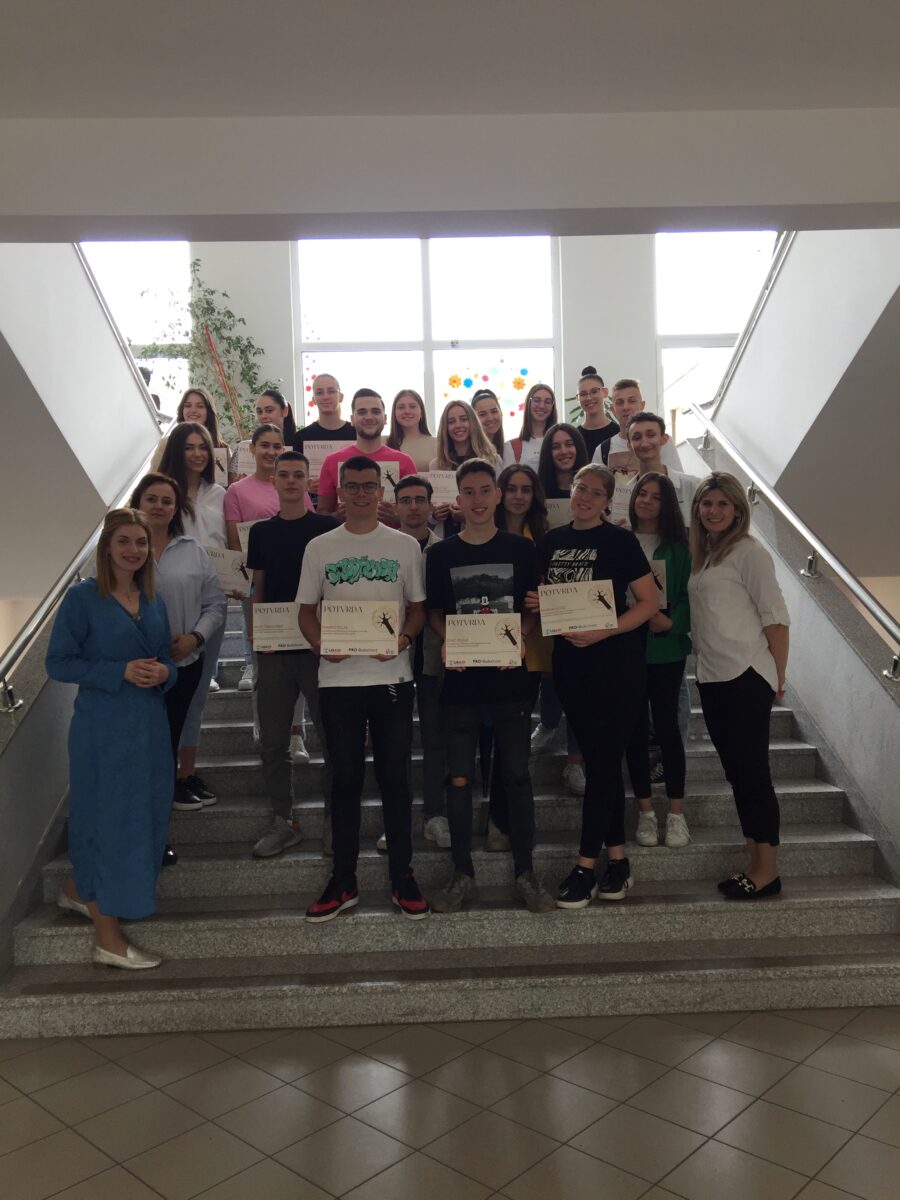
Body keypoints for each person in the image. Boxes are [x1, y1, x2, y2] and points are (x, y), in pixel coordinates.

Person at [298, 456, 429, 921]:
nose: (359, 493)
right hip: (338, 681)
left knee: (395, 779)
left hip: (392, 678)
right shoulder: (319, 547)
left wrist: (404, 639)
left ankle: (402, 876)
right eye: (351, 486)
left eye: (367, 486)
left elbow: (417, 609)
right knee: (345, 780)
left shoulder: (404, 546)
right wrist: (320, 645)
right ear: (339, 490)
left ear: (380, 491)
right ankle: (343, 880)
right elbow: (305, 612)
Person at [46, 508, 175, 970]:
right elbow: (58, 663)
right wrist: (118, 671)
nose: (133, 550)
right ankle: (107, 939)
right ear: (107, 547)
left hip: (149, 729)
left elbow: (166, 659)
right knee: (105, 824)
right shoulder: (82, 599)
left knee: (144, 819)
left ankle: (78, 890)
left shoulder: (153, 599)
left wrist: (165, 673)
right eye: (124, 541)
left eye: (140, 542)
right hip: (102, 730)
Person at [426, 459, 555, 914]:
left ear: (498, 496)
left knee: (517, 774)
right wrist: (448, 640)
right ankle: (462, 874)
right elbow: (435, 614)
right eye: (469, 492)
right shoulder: (440, 554)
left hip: (509, 677)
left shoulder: (521, 549)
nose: (478, 500)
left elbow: (532, 609)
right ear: (458, 499)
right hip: (461, 678)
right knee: (460, 777)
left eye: (485, 490)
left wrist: (521, 636)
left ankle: (526, 873)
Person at [528, 464, 659, 905]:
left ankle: (585, 865)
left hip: (616, 665)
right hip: (570, 666)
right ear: (571, 489)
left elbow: (649, 603)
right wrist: (539, 602)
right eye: (580, 487)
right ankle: (618, 861)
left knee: (602, 765)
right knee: (601, 762)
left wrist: (605, 631)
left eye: (596, 492)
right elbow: (550, 598)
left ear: (607, 500)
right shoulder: (552, 541)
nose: (585, 496)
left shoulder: (620, 541)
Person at [688, 472, 790, 900]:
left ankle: (768, 871)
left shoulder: (750, 553)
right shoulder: (707, 556)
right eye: (706, 503)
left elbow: (776, 618)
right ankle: (754, 862)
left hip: (746, 675)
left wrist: (777, 678)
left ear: (737, 510)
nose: (713, 511)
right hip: (712, 677)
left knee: (753, 774)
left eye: (722, 504)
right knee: (737, 774)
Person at [247, 451, 337, 856]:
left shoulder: (327, 528)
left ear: (308, 481)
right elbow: (259, 585)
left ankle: (336, 819)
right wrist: (254, 626)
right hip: (275, 644)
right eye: (283, 474)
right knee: (273, 739)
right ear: (274, 480)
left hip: (319, 644)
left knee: (332, 735)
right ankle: (285, 821)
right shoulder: (261, 532)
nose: (290, 481)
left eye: (297, 475)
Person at [130, 474, 227, 827]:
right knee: (142, 740)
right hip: (136, 667)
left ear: (176, 509)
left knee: (173, 731)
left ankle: (170, 793)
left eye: (167, 501)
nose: (159, 506)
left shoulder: (192, 550)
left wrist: (195, 638)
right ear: (138, 503)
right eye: (151, 499)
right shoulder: (123, 552)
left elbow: (215, 604)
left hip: (184, 661)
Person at [501, 461, 587, 797]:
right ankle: (523, 753)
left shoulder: (546, 536)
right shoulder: (485, 529)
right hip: (503, 631)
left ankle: (574, 763)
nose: (518, 496)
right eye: (511, 489)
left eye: (526, 489)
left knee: (566, 690)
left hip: (547, 627)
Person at [158, 421, 228, 801]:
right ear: (176, 450)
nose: (198, 454)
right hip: (173, 597)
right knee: (167, 694)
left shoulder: (220, 493)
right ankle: (162, 773)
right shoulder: (162, 494)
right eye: (189, 447)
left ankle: (187, 773)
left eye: (203, 446)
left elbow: (228, 544)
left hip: (212, 600)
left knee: (197, 693)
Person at [624, 472, 692, 848]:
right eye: (642, 494)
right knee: (634, 731)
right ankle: (646, 813)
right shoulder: (620, 539)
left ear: (667, 505)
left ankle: (677, 814)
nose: (646, 501)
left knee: (667, 729)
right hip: (627, 648)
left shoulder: (679, 548)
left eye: (655, 496)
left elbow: (690, 597)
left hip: (666, 648)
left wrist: (671, 622)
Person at [390, 474, 451, 848]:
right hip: (390, 654)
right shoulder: (382, 548)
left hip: (433, 655)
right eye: (406, 500)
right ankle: (396, 819)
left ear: (431, 506)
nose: (413, 507)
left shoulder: (447, 551)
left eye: (420, 500)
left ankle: (435, 814)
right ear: (395, 507)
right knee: (395, 741)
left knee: (435, 738)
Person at [224, 423, 284, 692]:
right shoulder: (236, 491)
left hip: (289, 579)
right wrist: (245, 582)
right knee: (260, 652)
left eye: (276, 446)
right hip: (254, 580)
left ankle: (296, 719)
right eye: (265, 445)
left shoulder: (292, 486)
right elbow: (234, 540)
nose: (271, 452)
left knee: (293, 653)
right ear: (252, 449)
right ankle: (262, 717)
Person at [316, 389, 417, 522]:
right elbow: (322, 513)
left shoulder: (404, 462)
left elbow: (418, 514)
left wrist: (398, 518)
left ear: (385, 418)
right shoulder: (332, 461)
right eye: (362, 412)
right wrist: (336, 517)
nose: (369, 417)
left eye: (375, 411)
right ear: (352, 419)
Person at [429, 401, 501, 532]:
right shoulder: (436, 464)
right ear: (445, 427)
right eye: (451, 422)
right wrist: (434, 516)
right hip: (444, 536)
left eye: (463, 419)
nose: (458, 425)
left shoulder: (492, 460)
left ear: (473, 422)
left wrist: (469, 516)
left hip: (480, 535)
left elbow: (500, 505)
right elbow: (429, 513)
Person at [592, 378, 684, 472]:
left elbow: (676, 478)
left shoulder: (663, 442)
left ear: (642, 405)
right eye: (620, 403)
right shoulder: (602, 451)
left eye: (632, 401)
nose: (626, 407)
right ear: (612, 410)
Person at [626, 412, 699, 527]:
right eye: (637, 438)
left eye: (651, 435)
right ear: (629, 446)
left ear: (664, 439)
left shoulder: (692, 486)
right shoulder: (624, 492)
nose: (644, 443)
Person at [291, 373, 356, 494]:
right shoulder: (301, 437)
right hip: (315, 501)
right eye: (319, 392)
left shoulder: (356, 433)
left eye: (331, 391)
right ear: (313, 400)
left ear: (341, 397)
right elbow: (293, 477)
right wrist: (306, 486)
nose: (325, 397)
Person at [151, 386, 230, 480]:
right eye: (188, 406)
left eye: (200, 406)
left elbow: (228, 483)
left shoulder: (222, 447)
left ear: (208, 412)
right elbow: (153, 480)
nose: (193, 410)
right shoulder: (166, 444)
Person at [232, 389, 297, 481]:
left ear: (285, 411)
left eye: (269, 410)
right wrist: (237, 482)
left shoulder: (298, 446)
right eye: (259, 412)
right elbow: (229, 483)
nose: (263, 416)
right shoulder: (243, 447)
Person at [502, 383, 558, 469]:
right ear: (528, 403)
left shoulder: (560, 443)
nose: (542, 406)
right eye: (537, 400)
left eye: (547, 402)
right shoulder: (511, 447)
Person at [386, 388, 437, 472]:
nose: (407, 411)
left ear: (422, 412)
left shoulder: (437, 444)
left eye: (412, 406)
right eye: (401, 407)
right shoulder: (383, 442)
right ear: (394, 413)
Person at [573, 367, 619, 460]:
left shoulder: (617, 433)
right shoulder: (574, 436)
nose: (589, 398)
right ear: (577, 398)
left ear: (605, 392)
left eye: (594, 391)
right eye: (583, 394)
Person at [536, 422, 589, 500]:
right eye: (556, 447)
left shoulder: (592, 488)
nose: (563, 451)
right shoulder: (536, 491)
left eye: (569, 444)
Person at [472, 388, 505, 460]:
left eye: (494, 411)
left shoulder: (508, 450)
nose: (490, 418)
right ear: (473, 419)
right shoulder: (470, 454)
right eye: (482, 414)